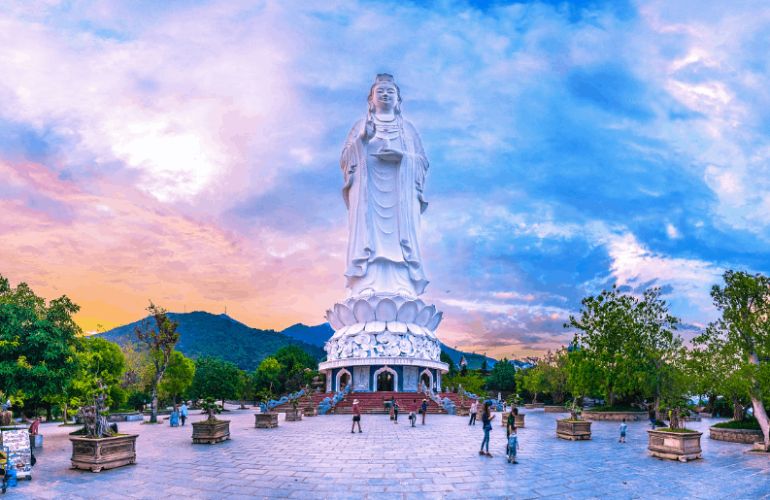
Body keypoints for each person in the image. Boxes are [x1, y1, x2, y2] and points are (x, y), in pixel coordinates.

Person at [340, 73, 430, 297]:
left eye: (391, 91)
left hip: (400, 194)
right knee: (369, 236)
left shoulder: (407, 129)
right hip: (368, 193)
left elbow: (422, 161)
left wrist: (403, 157)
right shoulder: (361, 126)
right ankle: (365, 284)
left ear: (398, 99)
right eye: (380, 91)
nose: (386, 94)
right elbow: (345, 160)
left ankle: (403, 286)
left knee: (399, 240)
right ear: (371, 99)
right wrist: (362, 140)